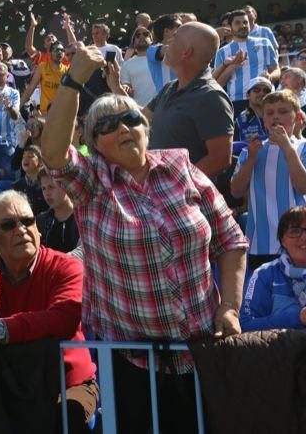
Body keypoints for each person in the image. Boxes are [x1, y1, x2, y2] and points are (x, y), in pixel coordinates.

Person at [41, 43, 248, 434]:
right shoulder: (92, 182)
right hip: (131, 363)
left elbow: (230, 239)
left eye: (131, 118)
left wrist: (231, 307)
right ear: (94, 144)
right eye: (107, 125)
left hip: (201, 352)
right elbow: (53, 154)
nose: (122, 127)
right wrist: (72, 81)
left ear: (146, 127)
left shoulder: (181, 166)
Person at [0, 191, 98, 432]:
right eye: (8, 225)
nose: (21, 230)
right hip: (8, 382)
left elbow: (63, 318)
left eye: (28, 221)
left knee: (66, 419)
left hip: (66, 382)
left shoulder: (66, 266)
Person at [231, 90, 306, 269]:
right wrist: (251, 160)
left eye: (283, 111)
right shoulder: (250, 151)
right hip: (259, 243)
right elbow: (236, 191)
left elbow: (304, 187)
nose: (276, 117)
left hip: (297, 240)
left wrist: (287, 146)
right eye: (270, 113)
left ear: (297, 116)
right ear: (263, 119)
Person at [146, 21, 235, 178]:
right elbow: (142, 116)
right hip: (162, 195)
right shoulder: (170, 87)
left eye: (174, 38)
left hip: (188, 199)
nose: (167, 43)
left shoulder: (211, 97)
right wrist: (116, 88)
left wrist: (177, 184)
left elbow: (220, 159)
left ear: (187, 53)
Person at [240, 205, 306, 334]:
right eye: (295, 231)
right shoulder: (264, 274)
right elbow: (245, 325)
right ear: (282, 240)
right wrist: (297, 318)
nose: (304, 237)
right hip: (282, 353)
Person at [214, 9, 278, 113]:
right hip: (237, 100)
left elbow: (276, 70)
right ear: (230, 27)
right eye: (238, 23)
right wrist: (233, 66)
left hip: (265, 98)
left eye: (245, 22)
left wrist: (270, 77)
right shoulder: (222, 52)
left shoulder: (264, 43)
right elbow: (218, 84)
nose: (243, 25)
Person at [37, 169, 79, 253]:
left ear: (66, 187)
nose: (47, 193)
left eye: (51, 187)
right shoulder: (41, 221)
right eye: (43, 188)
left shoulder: (80, 219)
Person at [21, 41, 69, 115]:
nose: (59, 52)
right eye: (56, 50)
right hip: (45, 114)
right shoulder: (42, 67)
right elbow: (30, 88)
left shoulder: (68, 70)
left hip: (62, 114)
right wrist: (18, 107)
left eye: (62, 50)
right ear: (50, 53)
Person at [119, 26, 155, 106]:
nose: (142, 36)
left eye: (145, 34)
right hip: (140, 110)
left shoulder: (162, 58)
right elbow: (126, 85)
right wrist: (126, 88)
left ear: (151, 39)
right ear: (133, 41)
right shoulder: (126, 65)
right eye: (138, 35)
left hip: (164, 109)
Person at [12, 145, 49, 215]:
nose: (25, 160)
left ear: (40, 161)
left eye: (30, 157)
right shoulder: (16, 186)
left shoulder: (46, 184)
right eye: (23, 157)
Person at [235, 77, 272, 143]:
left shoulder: (277, 117)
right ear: (248, 95)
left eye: (266, 91)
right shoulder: (239, 120)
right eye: (256, 90)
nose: (262, 93)